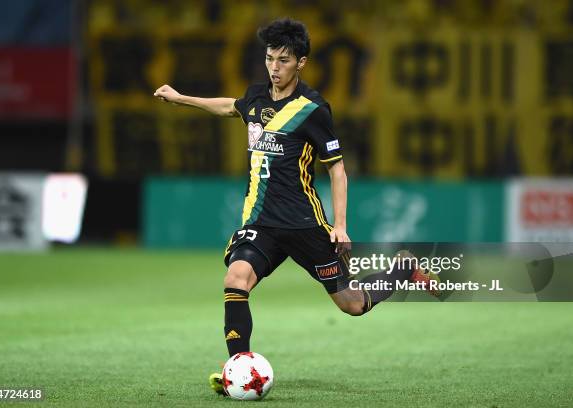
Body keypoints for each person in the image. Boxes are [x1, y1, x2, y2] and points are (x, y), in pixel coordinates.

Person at [154, 18, 440, 396]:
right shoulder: (255, 99)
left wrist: (340, 225)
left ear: (301, 63)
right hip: (262, 223)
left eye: (284, 60)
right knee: (235, 280)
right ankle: (238, 370)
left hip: (305, 224)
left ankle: (402, 268)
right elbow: (228, 107)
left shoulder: (313, 109)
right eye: (270, 58)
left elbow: (337, 170)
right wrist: (180, 98)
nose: (274, 67)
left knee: (352, 304)